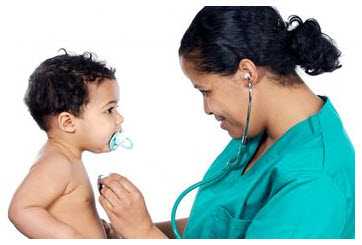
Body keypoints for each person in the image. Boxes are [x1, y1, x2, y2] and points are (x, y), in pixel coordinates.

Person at [98, 6, 354, 238]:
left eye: (205, 91)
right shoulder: (258, 130)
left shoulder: (314, 181)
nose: (207, 109)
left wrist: (141, 233)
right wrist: (127, 230)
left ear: (247, 73)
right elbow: (223, 225)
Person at [8, 50, 122, 238]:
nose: (119, 119)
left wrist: (100, 228)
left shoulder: (68, 159)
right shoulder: (57, 162)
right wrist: (70, 237)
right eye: (110, 110)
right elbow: (20, 210)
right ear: (68, 123)